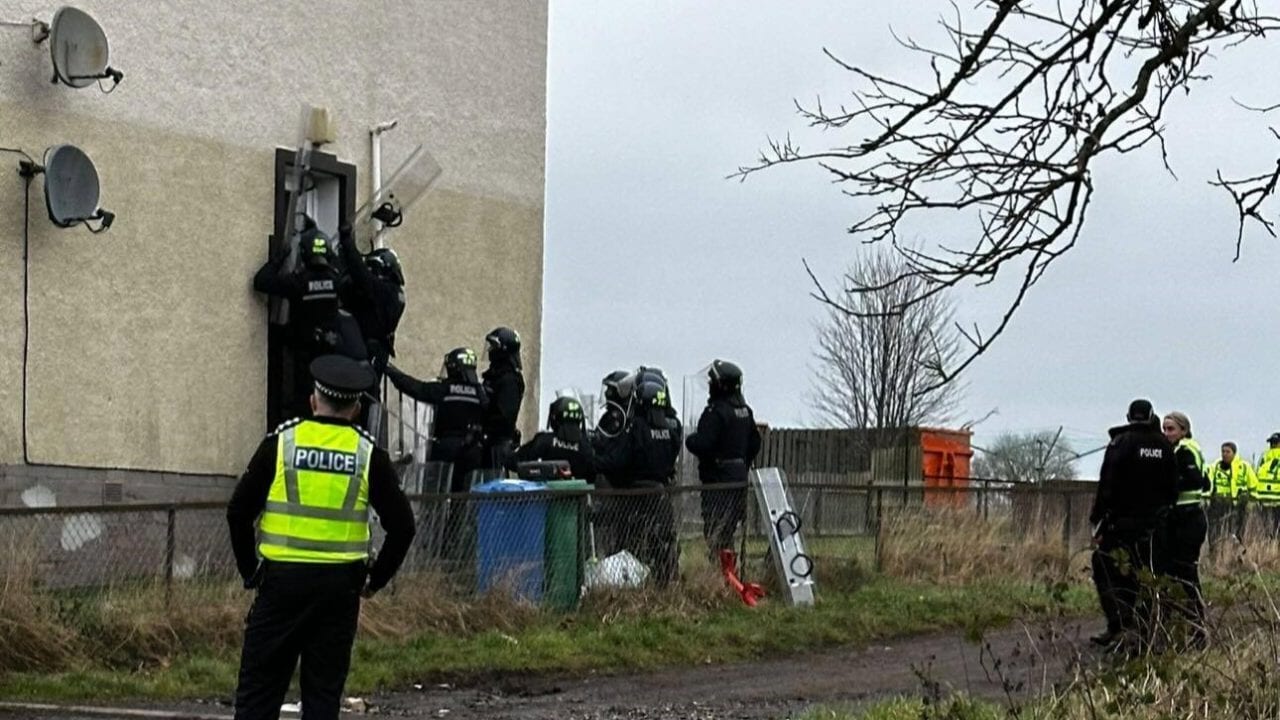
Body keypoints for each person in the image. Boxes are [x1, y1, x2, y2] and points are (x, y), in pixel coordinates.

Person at [226, 355, 415, 720]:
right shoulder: (367, 454)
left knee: (257, 696)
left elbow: (238, 512)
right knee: (322, 698)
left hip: (280, 584)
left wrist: (251, 571)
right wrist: (375, 581)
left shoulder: (282, 443)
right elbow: (403, 527)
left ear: (314, 400)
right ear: (356, 408)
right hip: (339, 590)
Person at [1088, 399, 1177, 650]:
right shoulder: (1165, 446)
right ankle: (1147, 629)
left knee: (1108, 570)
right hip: (1154, 527)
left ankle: (1119, 626)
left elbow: (1107, 486)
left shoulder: (1120, 444)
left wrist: (1098, 521)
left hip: (1121, 525)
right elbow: (1172, 489)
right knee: (1148, 576)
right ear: (1152, 417)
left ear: (1129, 416)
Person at [253, 222, 350, 416]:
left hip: (303, 354)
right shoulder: (336, 280)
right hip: (331, 352)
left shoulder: (299, 282)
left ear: (304, 254)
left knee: (303, 402)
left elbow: (261, 281)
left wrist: (279, 257)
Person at [598, 378, 683, 586]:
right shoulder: (670, 431)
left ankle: (632, 583)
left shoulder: (636, 428)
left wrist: (598, 462)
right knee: (665, 542)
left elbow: (621, 459)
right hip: (661, 495)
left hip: (635, 496)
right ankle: (666, 581)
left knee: (628, 542)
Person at [685, 360, 762, 559]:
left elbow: (704, 443)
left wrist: (690, 440)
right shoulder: (745, 411)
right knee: (728, 530)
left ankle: (721, 575)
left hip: (718, 481)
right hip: (738, 479)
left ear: (721, 385)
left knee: (715, 531)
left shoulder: (717, 411)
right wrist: (741, 462)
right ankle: (729, 572)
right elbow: (755, 442)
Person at [385, 348, 488, 492]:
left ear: (454, 368)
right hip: (472, 450)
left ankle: (433, 514)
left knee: (435, 490)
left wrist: (392, 373)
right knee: (464, 496)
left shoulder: (445, 389)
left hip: (445, 448)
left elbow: (416, 388)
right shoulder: (481, 392)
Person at [1158, 411, 1209, 645]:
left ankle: (1198, 625)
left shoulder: (1186, 451)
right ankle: (1177, 623)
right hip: (1180, 517)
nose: (1166, 433)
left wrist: (1168, 485)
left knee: (1185, 573)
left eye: (1171, 429)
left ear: (1183, 430)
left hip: (1188, 519)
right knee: (1174, 571)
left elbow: (1196, 480)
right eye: (1164, 429)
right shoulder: (1182, 450)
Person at [337, 225, 406, 374]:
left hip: (368, 349)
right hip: (378, 349)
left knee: (364, 390)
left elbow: (362, 276)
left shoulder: (385, 291)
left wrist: (347, 242)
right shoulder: (395, 293)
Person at [512, 396, 597, 479]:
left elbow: (515, 462)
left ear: (555, 418)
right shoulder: (586, 447)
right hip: (581, 492)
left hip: (547, 492)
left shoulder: (544, 441)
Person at [481, 327, 525, 471]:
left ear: (503, 349)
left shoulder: (509, 380)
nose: (489, 351)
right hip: (488, 442)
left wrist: (485, 427)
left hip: (499, 444)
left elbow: (505, 416)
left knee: (493, 485)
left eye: (493, 347)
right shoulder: (495, 377)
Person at [1206, 441, 1254, 543]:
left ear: (1234, 453)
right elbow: (1208, 484)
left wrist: (1251, 503)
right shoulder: (1215, 467)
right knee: (1216, 532)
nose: (1224, 454)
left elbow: (1253, 485)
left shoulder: (1244, 467)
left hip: (1238, 505)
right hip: (1218, 504)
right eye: (1223, 451)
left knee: (1237, 531)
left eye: (1228, 452)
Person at [1252, 433, 1280, 536]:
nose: (1273, 445)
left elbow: (1257, 473)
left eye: (1275, 442)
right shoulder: (1265, 455)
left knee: (1267, 528)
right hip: (1277, 498)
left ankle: (1269, 545)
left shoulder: (1264, 456)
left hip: (1264, 497)